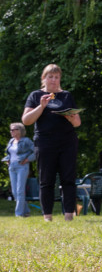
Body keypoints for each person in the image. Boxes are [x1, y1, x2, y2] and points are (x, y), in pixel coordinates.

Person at [22, 64, 81, 222]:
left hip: (67, 142)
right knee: (46, 180)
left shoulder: (66, 96)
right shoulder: (35, 96)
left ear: (60, 79)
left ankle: (69, 215)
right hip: (45, 143)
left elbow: (77, 123)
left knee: (68, 179)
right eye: (50, 77)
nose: (54, 80)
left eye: (56, 77)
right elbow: (26, 120)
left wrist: (70, 116)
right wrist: (41, 107)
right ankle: (47, 216)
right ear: (44, 78)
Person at [3, 123, 35, 217]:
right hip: (11, 167)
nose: (11, 131)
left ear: (19, 130)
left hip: (22, 167)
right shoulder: (11, 141)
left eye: (13, 130)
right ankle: (26, 211)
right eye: (11, 130)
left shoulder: (26, 141)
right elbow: (10, 153)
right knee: (14, 191)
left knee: (20, 190)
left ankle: (19, 214)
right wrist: (7, 159)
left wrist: (27, 159)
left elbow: (36, 151)